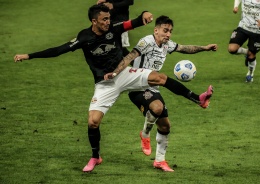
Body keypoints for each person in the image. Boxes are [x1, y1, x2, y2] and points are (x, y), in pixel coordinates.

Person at [14, 4, 212, 173]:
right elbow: (58, 50)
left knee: (159, 78)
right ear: (94, 21)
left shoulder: (114, 29)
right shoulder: (84, 38)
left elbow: (132, 22)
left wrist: (143, 15)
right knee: (93, 122)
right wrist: (29, 56)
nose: (108, 22)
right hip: (104, 83)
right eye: (104, 19)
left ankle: (197, 98)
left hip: (125, 74)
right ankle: (95, 156)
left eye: (109, 18)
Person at [105, 15, 217, 172]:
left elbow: (185, 48)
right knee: (157, 107)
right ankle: (146, 133)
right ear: (156, 30)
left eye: (170, 31)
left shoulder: (167, 45)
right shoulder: (146, 42)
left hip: (153, 86)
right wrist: (115, 73)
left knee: (165, 126)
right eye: (165, 30)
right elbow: (130, 56)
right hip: (137, 86)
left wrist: (204, 48)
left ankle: (159, 161)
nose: (168, 34)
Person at [228, 0, 260, 82]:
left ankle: (250, 74)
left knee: (252, 55)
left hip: (257, 30)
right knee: (232, 49)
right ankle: (248, 52)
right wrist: (236, 6)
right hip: (243, 26)